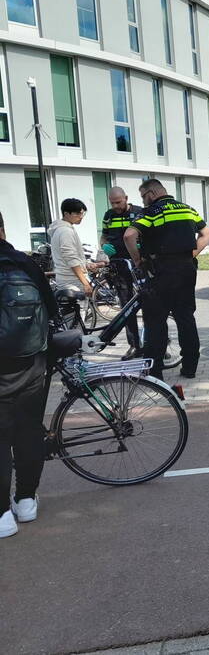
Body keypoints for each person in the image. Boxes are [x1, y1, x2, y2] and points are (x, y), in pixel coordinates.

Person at [0, 211, 58, 538]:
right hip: (32, 363)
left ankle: (2, 518)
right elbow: (50, 308)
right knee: (28, 431)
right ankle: (26, 501)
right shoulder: (23, 262)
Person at [123, 179, 209, 380]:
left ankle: (155, 373)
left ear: (151, 194)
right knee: (186, 318)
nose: (143, 201)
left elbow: (129, 236)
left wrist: (137, 260)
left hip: (160, 271)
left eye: (143, 197)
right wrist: (192, 253)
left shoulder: (152, 211)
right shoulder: (187, 209)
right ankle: (190, 367)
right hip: (186, 270)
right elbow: (206, 233)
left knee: (155, 321)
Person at [100, 187, 144, 359]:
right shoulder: (108, 216)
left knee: (149, 304)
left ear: (126, 198)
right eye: (112, 203)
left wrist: (142, 246)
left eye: (118, 202)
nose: (115, 206)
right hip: (119, 265)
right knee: (126, 307)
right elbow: (104, 236)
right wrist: (104, 246)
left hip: (139, 263)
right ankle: (134, 345)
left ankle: (154, 342)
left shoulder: (140, 213)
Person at [48, 198, 97, 295]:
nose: (81, 216)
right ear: (66, 214)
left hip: (66, 279)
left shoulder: (60, 229)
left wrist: (86, 264)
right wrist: (85, 283)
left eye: (82, 213)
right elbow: (71, 259)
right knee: (81, 309)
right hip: (72, 280)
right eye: (77, 213)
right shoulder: (65, 231)